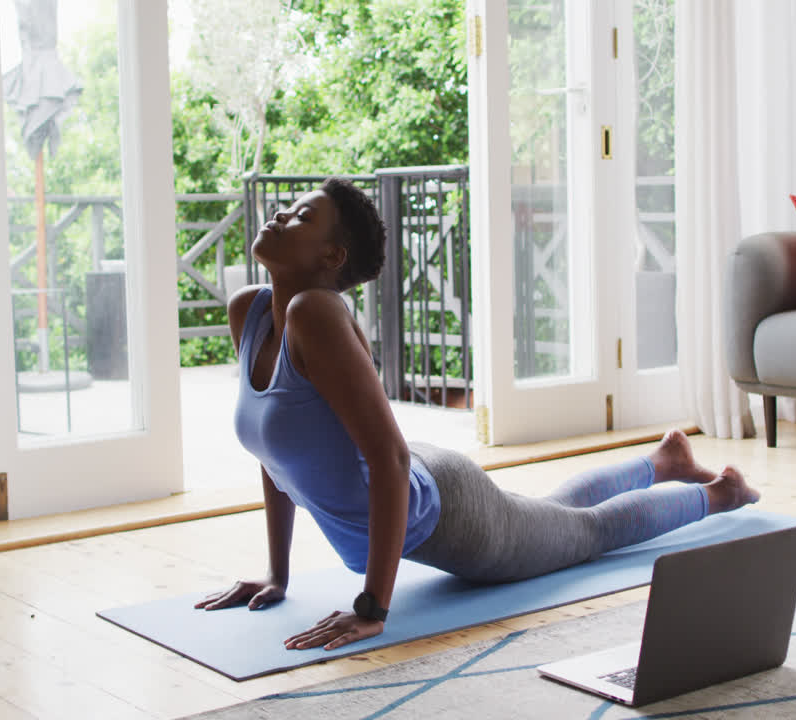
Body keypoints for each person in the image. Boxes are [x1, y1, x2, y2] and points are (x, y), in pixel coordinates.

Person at [194, 178, 761, 652]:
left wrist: (373, 606)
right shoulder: (252, 311)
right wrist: (278, 573)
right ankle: (666, 459)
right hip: (423, 474)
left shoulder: (314, 313)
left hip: (451, 517)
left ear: (331, 257)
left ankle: (721, 495)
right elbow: (276, 452)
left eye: (301, 217)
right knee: (550, 515)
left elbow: (388, 458)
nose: (280, 213)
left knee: (587, 533)